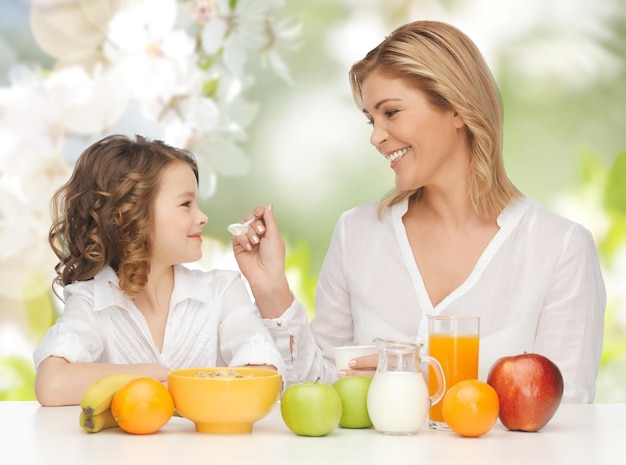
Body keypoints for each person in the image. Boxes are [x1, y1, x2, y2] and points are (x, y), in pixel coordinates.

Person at [232, 20, 606, 403]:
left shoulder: (560, 248)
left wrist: (413, 377)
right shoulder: (357, 233)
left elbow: (566, 416)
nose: (375, 136)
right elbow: (319, 392)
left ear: (457, 108)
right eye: (371, 120)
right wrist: (270, 288)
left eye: (391, 113)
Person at [33, 134, 283, 406]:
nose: (202, 217)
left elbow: (265, 377)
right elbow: (51, 384)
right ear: (130, 215)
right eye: (186, 204)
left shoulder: (222, 291)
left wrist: (170, 387)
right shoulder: (91, 302)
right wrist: (156, 376)